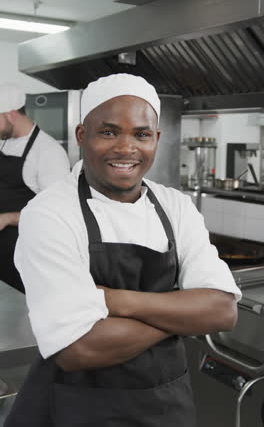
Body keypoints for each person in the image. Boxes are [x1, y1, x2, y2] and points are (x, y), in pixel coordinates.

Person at [5, 74, 241, 427]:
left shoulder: (176, 206)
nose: (126, 148)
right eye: (109, 132)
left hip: (166, 407)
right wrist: (179, 308)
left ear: (156, 139)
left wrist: (115, 301)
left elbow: (222, 312)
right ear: (82, 135)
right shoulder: (50, 213)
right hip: (75, 409)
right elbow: (77, 348)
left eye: (141, 134)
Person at [0, 84, 70, 293]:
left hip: (24, 253)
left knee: (20, 312)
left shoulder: (48, 152)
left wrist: (7, 218)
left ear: (11, 115)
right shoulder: (3, 142)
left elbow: (57, 211)